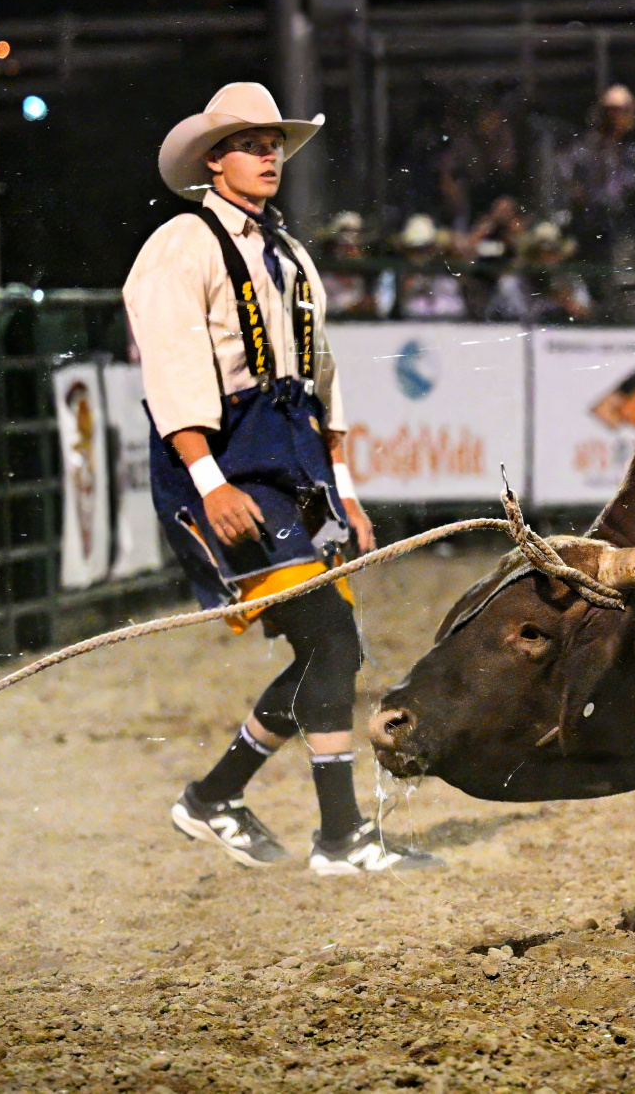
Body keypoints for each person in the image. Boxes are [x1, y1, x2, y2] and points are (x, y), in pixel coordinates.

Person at [125, 83, 437, 874]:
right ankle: (335, 836)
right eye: (251, 142)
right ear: (212, 159)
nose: (268, 154)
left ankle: (216, 796)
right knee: (331, 641)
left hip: (293, 464)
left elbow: (322, 379)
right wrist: (209, 481)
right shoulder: (181, 245)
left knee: (331, 646)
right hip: (227, 467)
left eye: (274, 142)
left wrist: (348, 488)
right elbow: (171, 368)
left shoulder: (290, 256)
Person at [555, 84, 635, 265]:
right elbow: (567, 180)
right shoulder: (582, 149)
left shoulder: (632, 154)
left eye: (625, 111)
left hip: (621, 232)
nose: (617, 117)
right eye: (613, 111)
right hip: (586, 230)